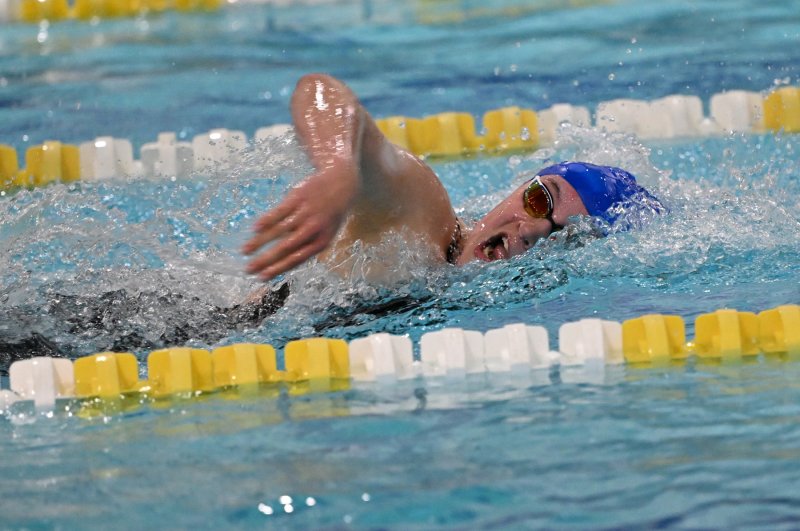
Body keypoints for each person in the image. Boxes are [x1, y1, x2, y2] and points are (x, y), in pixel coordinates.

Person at [243, 73, 664, 283]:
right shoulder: (423, 216)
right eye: (539, 201)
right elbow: (319, 90)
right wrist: (339, 169)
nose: (533, 229)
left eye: (564, 236)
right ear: (517, 190)